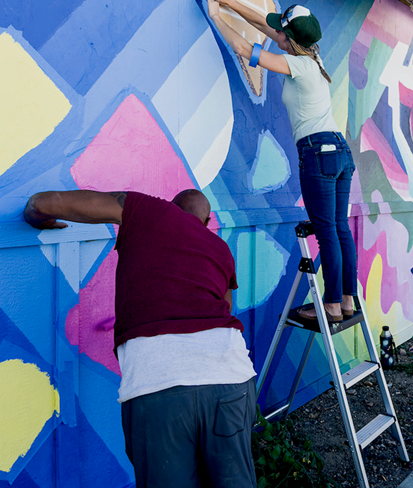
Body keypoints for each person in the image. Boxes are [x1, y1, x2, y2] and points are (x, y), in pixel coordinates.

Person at [23, 189, 257, 488]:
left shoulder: (146, 210)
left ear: (170, 207)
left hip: (158, 384)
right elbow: (225, 312)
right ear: (207, 220)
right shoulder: (221, 248)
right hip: (231, 378)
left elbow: (41, 203)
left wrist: (37, 219)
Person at [202, 0, 357, 323]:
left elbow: (246, 50)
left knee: (328, 230)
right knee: (339, 227)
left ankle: (331, 306)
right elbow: (264, 24)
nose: (277, 36)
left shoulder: (296, 64)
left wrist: (216, 15)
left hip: (319, 152)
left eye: (281, 34)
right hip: (339, 152)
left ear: (290, 40)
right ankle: (346, 301)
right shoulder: (309, 56)